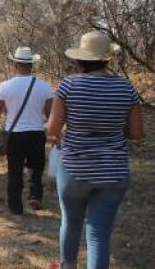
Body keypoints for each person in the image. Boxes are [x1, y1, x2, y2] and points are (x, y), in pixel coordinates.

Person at [46, 31, 143, 269]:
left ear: (80, 59)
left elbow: (53, 129)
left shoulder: (69, 85)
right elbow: (137, 133)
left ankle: (67, 265)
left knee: (70, 223)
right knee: (99, 233)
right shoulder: (126, 88)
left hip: (74, 169)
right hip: (113, 170)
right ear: (107, 59)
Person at [0, 47, 53, 214]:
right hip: (36, 133)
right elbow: (51, 113)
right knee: (36, 167)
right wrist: (53, 133)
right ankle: (35, 195)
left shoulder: (5, 86)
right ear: (32, 65)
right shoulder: (43, 86)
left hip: (14, 135)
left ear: (15, 64)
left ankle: (15, 207)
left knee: (15, 171)